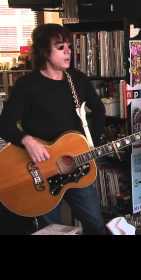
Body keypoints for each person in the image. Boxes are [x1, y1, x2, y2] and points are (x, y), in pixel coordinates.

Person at [0, 23, 106, 234]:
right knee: (52, 230)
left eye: (68, 46)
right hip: (39, 172)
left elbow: (100, 110)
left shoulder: (77, 80)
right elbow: (5, 125)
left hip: (77, 167)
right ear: (44, 52)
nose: (68, 51)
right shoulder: (26, 85)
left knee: (96, 226)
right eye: (60, 47)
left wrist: (90, 144)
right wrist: (27, 140)